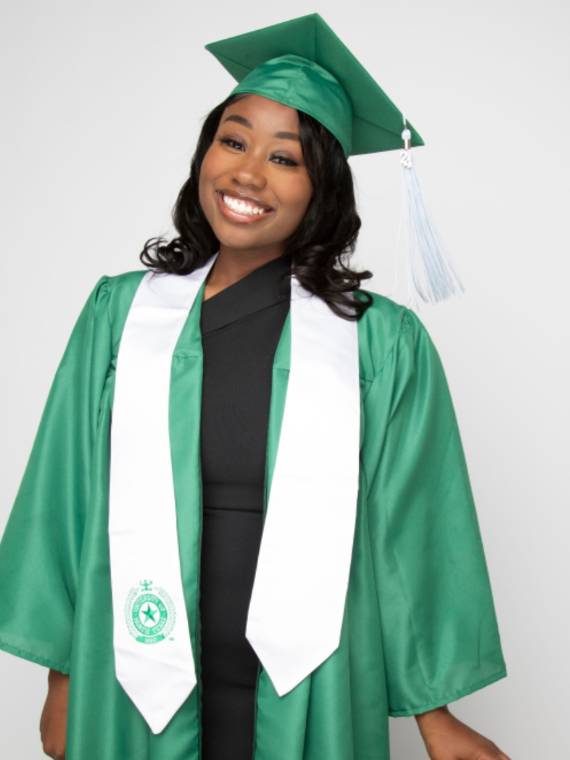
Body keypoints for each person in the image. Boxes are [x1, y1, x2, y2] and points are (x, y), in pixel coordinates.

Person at [0, 13, 510, 760]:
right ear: (205, 153)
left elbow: (414, 531)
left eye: (286, 158)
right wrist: (61, 679)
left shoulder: (381, 343)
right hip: (138, 679)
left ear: (322, 190)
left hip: (309, 686)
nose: (247, 173)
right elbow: (65, 497)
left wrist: (438, 721)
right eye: (233, 141)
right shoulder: (121, 316)